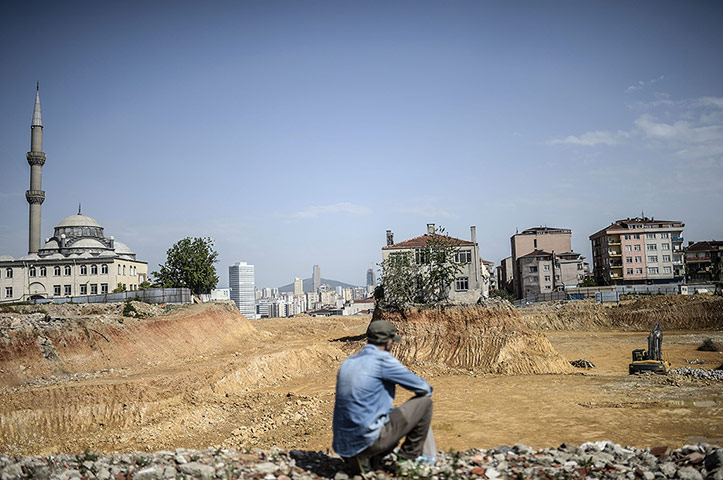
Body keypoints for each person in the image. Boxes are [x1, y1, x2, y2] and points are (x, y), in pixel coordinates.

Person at [332, 320, 433, 474]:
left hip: (343, 447)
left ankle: (367, 460)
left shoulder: (349, 362)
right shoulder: (383, 360)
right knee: (425, 403)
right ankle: (407, 460)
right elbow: (423, 388)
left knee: (385, 415)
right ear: (388, 343)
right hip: (367, 441)